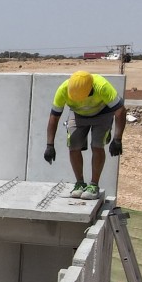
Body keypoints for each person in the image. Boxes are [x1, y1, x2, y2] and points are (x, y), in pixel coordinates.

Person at [43, 70, 127, 199]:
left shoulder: (102, 86)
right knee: (73, 145)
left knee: (97, 145)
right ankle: (80, 184)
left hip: (102, 114)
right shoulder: (63, 89)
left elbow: (120, 110)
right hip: (77, 114)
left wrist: (117, 139)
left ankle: (93, 185)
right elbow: (54, 117)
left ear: (91, 89)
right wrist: (49, 145)